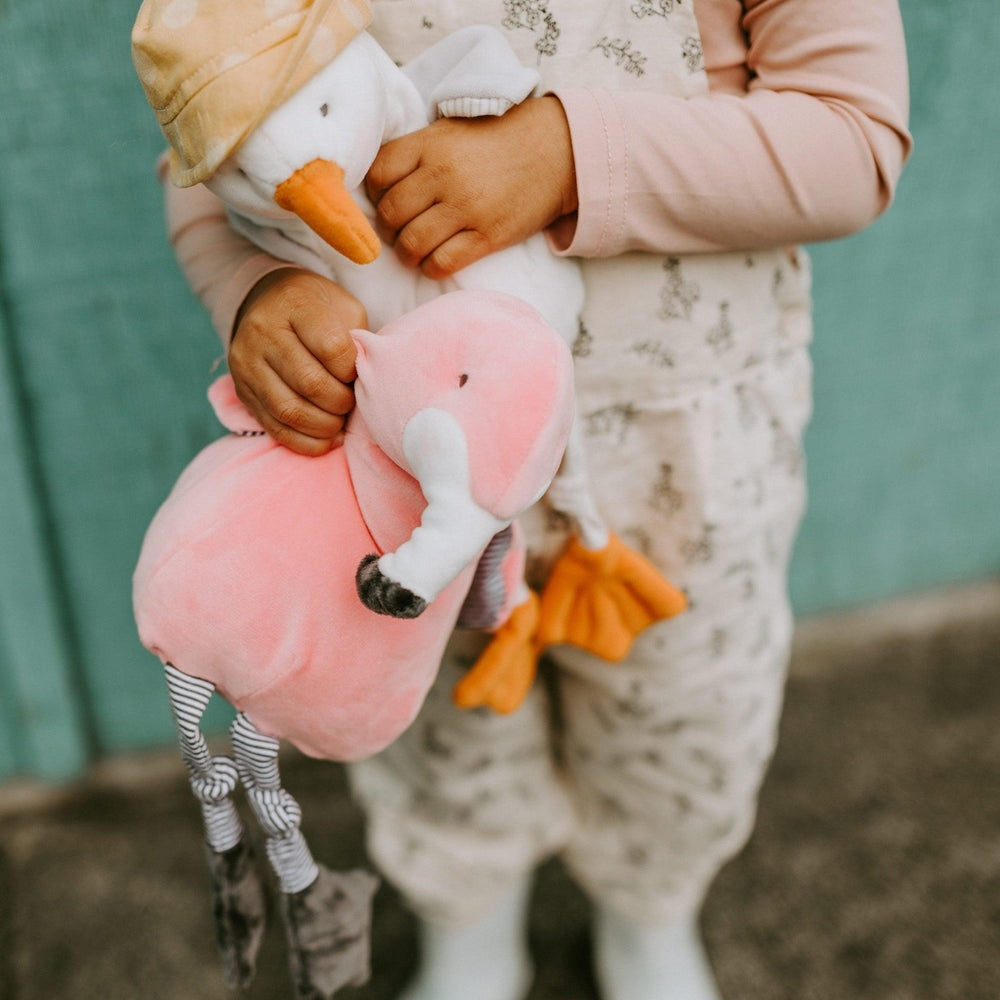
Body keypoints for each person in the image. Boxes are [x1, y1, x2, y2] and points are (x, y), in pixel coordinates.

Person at [158, 2, 911, 998]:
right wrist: (252, 287)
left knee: (681, 719)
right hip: (407, 469)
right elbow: (209, 142)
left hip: (676, 463)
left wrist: (567, 155)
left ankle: (650, 917)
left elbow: (850, 139)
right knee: (438, 726)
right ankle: (470, 925)